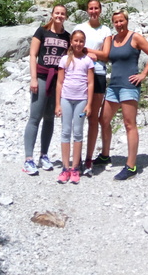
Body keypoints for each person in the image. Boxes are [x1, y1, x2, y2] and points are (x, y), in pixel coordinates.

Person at [94, 10, 148, 180]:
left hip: (129, 86)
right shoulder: (113, 40)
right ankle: (105, 154)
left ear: (126, 20)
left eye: (121, 21)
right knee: (103, 119)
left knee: (129, 124)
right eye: (116, 21)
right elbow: (107, 57)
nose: (119, 24)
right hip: (114, 85)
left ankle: (131, 165)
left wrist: (143, 74)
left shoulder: (135, 37)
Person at [23, 5, 70, 176]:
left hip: (57, 80)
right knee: (35, 117)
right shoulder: (41, 32)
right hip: (42, 76)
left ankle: (44, 155)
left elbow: (70, 58)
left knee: (49, 118)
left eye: (62, 14)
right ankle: (29, 158)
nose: (59, 16)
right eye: (57, 13)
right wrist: (33, 78)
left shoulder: (67, 36)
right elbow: (33, 55)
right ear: (52, 15)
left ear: (65, 17)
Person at [77, 0, 112, 175]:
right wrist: (88, 52)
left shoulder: (106, 30)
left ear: (100, 10)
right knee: (78, 116)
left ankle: (89, 158)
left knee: (92, 117)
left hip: (98, 74)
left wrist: (89, 51)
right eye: (90, 8)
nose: (93, 11)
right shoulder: (80, 27)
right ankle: (76, 159)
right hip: (80, 74)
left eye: (96, 8)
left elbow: (106, 55)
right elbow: (74, 47)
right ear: (87, 10)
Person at [55, 30, 94, 184]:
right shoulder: (64, 59)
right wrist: (57, 103)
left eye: (81, 41)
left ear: (84, 43)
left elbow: (90, 83)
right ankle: (65, 168)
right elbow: (59, 82)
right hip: (66, 99)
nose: (78, 44)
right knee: (65, 132)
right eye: (76, 41)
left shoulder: (87, 61)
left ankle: (75, 168)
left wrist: (89, 104)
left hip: (81, 101)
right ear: (71, 42)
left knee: (78, 132)